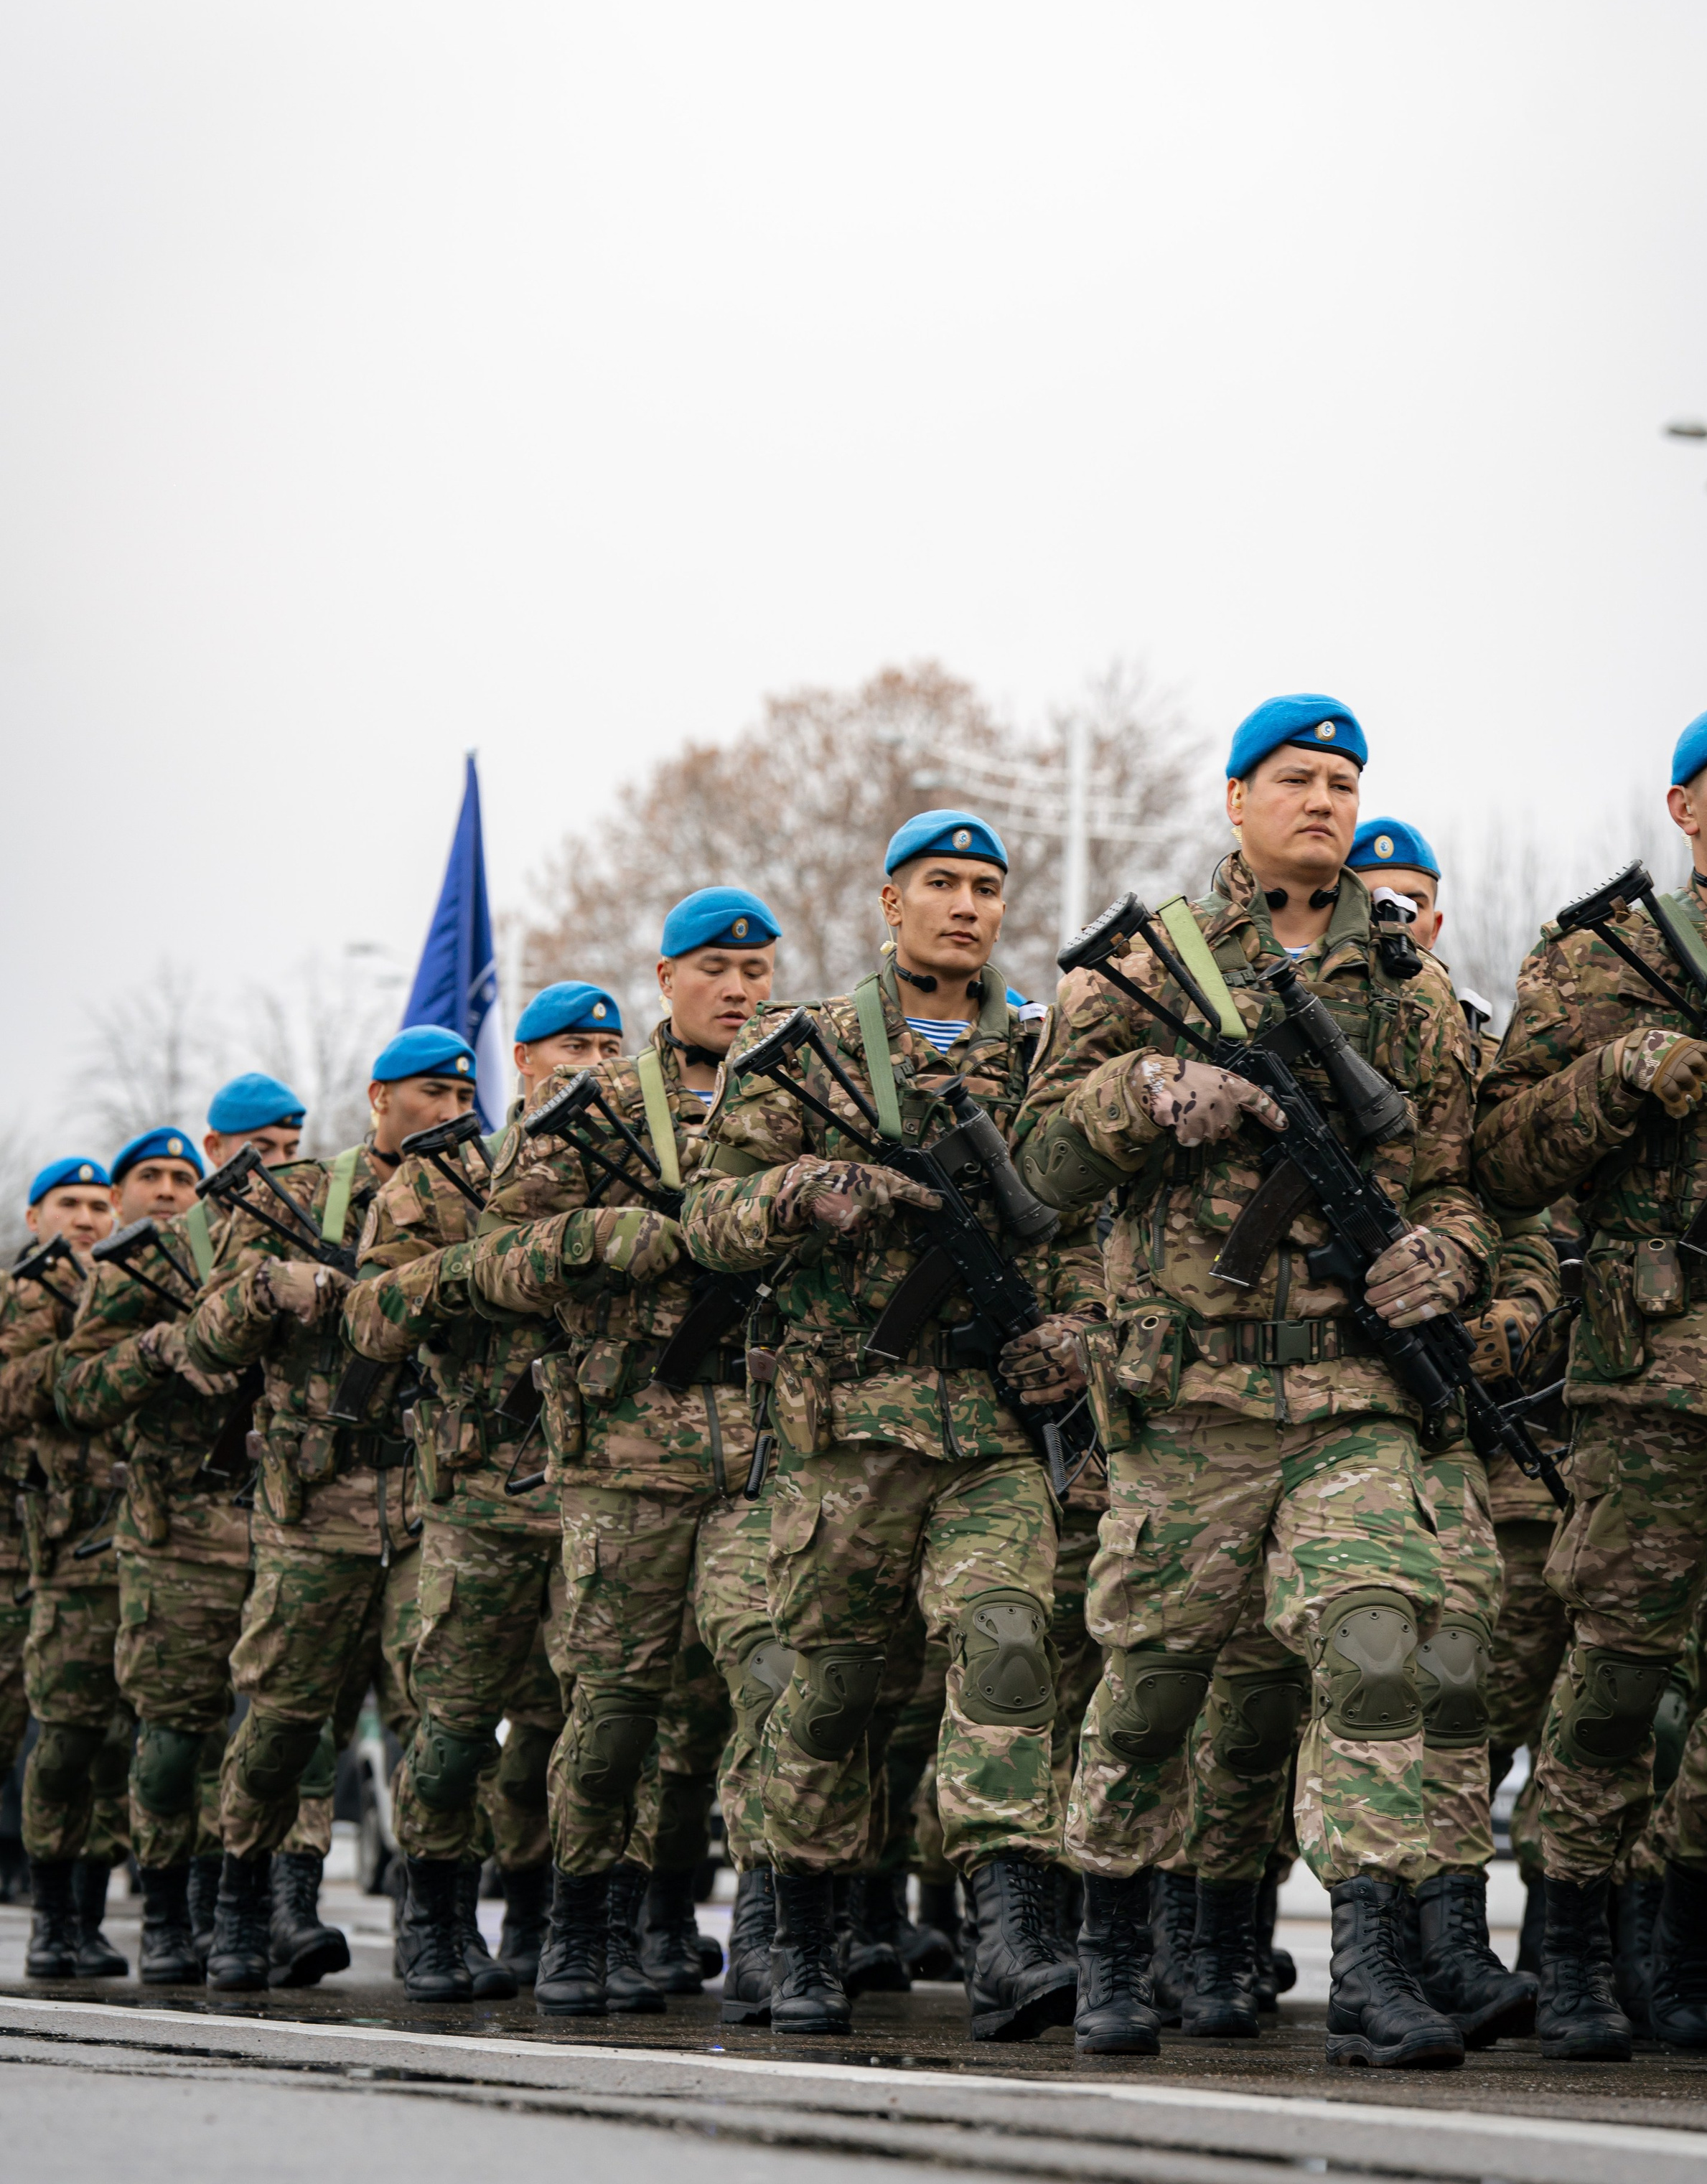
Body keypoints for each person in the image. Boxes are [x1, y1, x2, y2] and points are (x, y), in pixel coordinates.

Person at [1013, 698, 1495, 2068]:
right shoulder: (1144, 969)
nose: (1328, 801)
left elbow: (1461, 1180)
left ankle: (1374, 1967)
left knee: (1374, 1644)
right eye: (1300, 778)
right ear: (1236, 798)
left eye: (1348, 781)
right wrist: (1145, 1095)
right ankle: (1112, 1949)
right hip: (1191, 1404)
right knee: (1154, 1682)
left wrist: (1444, 1257)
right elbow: (1040, 1169)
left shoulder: (1406, 987)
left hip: (1352, 1398)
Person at [681, 820, 1104, 2042]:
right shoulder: (800, 1051)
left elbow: (1089, 1227)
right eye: (942, 885)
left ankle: (1012, 1934)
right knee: (830, 1687)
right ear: (889, 901)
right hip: (844, 1431)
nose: (966, 907)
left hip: (988, 1429)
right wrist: (805, 1191)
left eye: (986, 888)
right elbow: (706, 1219)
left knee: (1011, 1643)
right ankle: (799, 1930)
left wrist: (1077, 1329)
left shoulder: (1041, 1053)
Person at [1476, 695, 1707, 2062]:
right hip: (1654, 1378)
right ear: (1684, 806)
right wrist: (1615, 1078)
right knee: (1618, 1669)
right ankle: (1575, 1939)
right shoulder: (1596, 962)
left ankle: (1697, 1931)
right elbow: (1504, 1158)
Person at [471, 891, 787, 2021]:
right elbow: (495, 1262)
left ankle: (767, 1934)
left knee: (771, 1686)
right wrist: (608, 1236)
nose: (741, 988)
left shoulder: (806, 1091)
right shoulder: (595, 1107)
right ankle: (578, 1919)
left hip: (767, 1456)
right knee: (609, 1709)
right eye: (716, 967)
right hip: (623, 1454)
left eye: (757, 967)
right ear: (665, 978)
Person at [342, 981, 621, 2000]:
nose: (594, 1061)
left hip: (607, 1484)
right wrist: (501, 1264)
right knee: (454, 1721)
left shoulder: (643, 1165)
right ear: (525, 1060)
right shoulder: (444, 1178)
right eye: (572, 1045)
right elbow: (373, 1318)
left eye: (610, 1042)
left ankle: (555, 1923)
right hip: (484, 1491)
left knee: (579, 1719)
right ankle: (435, 1912)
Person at [187, 1028, 480, 1989]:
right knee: (284, 1717)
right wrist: (274, 1284)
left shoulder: (482, 1192)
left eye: (463, 1093)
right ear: (378, 1099)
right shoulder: (300, 1193)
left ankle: (437, 1923)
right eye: (430, 1092)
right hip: (317, 1502)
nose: (449, 1110)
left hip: (431, 1496)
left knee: (440, 1715)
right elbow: (212, 1332)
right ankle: (248, 1904)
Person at [1345, 814, 1547, 2043]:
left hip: (1446, 1407)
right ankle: (1190, 1935)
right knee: (1322, 1676)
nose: (1398, 921)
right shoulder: (1292, 1027)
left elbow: (1517, 1205)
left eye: (1414, 902)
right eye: (1375, 899)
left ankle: (1451, 1938)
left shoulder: (1470, 1050)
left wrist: (1510, 1309)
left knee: (1458, 1670)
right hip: (1311, 1400)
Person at [52, 1077, 309, 1984]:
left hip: (279, 1519)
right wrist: (160, 1349)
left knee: (273, 1730)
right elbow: (76, 1393)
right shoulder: (149, 1262)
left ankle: (235, 1911)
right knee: (172, 1735)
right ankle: (164, 1912)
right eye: (261, 1151)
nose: (278, 1167)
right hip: (173, 1533)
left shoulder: (312, 1244)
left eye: (289, 1150)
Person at [0, 1154, 121, 1974]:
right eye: (69, 1203)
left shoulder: (127, 1292)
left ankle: (77, 1915)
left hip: (101, 1547)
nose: (86, 1218)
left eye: (99, 1204)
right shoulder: (13, 1299)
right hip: (16, 1554)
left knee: (96, 1740)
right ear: (36, 1214)